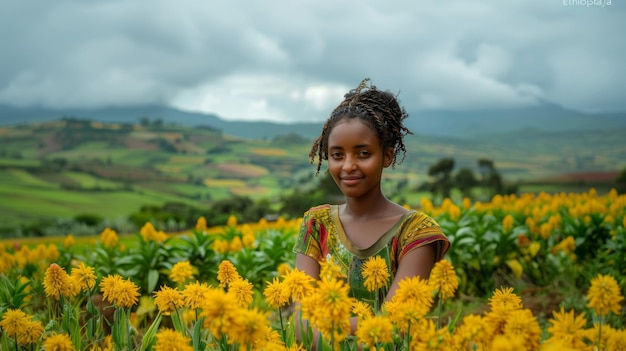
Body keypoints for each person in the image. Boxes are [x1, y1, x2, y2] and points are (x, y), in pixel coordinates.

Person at [292, 78, 450, 343]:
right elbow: (301, 322)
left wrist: (329, 327)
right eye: (337, 155)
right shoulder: (316, 224)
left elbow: (397, 324)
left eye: (363, 153)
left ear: (387, 157)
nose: (348, 166)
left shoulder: (416, 233)